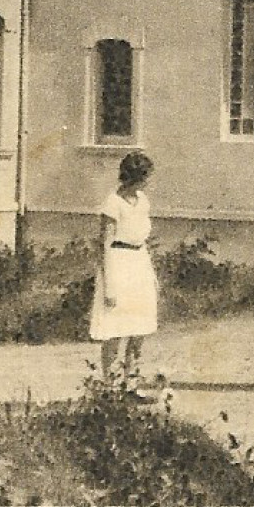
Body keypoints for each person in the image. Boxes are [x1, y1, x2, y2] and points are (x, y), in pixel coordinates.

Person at [91, 152, 158, 380]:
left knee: (139, 328)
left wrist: (152, 275)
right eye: (145, 175)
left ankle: (132, 382)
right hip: (118, 265)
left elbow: (142, 239)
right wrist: (109, 285)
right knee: (115, 329)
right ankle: (110, 385)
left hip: (139, 263)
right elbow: (105, 245)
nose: (148, 181)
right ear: (134, 176)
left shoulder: (143, 201)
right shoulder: (113, 203)